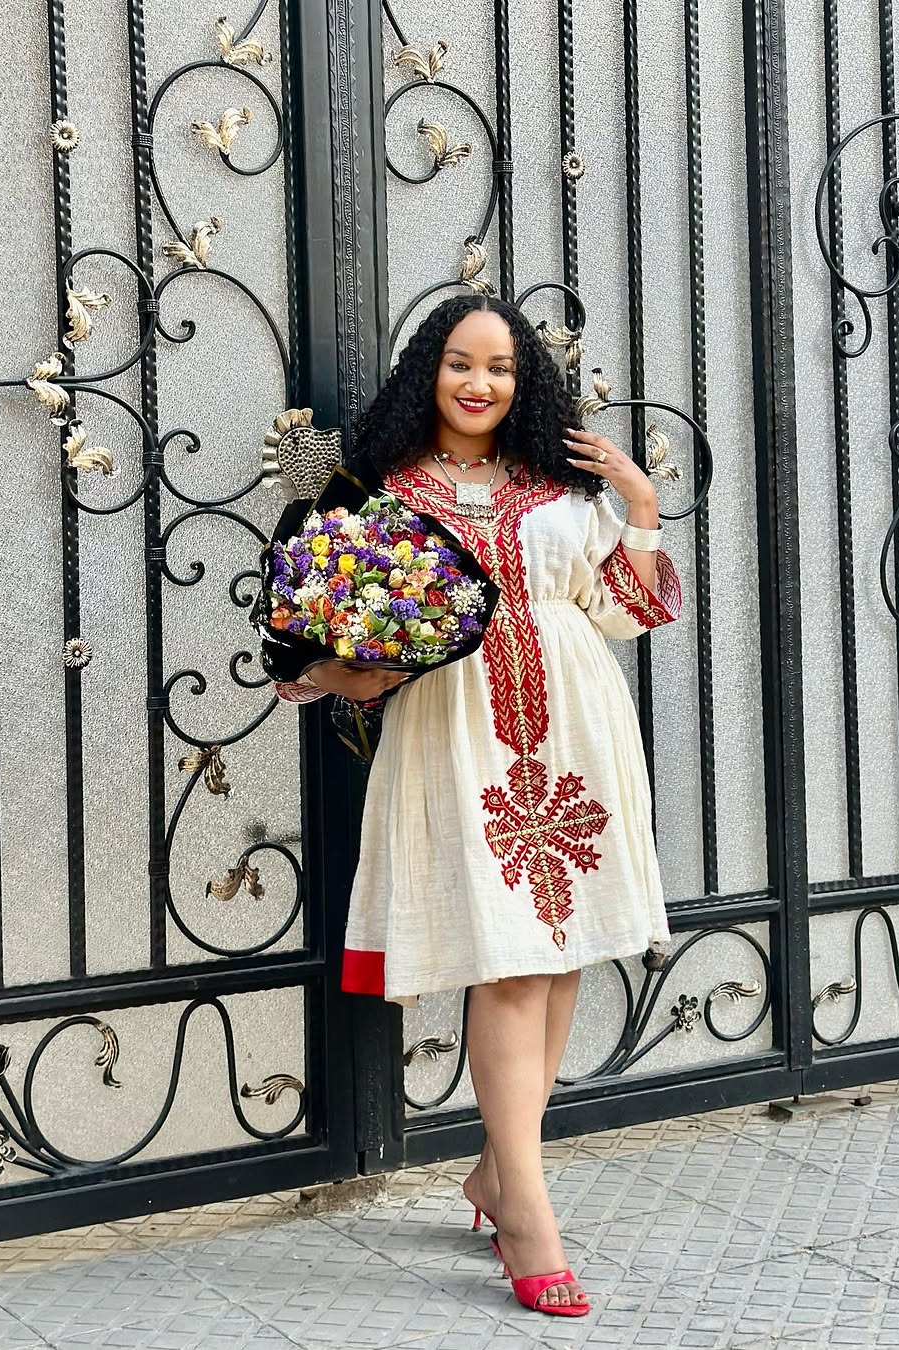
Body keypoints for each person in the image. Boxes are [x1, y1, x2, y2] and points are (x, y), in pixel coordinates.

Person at [272, 295, 680, 1317]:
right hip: (459, 735)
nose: (480, 383)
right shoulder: (381, 497)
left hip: (577, 721)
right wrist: (333, 665)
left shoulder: (558, 487)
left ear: (522, 382)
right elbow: (348, 648)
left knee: (556, 956)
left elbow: (619, 612)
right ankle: (531, 1219)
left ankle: (500, 1177)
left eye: (500, 367)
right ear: (431, 372)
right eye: (462, 363)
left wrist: (639, 503)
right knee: (506, 964)